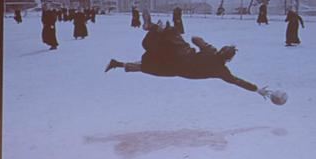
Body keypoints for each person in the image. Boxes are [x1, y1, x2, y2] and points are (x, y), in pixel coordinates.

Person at [104, 22, 287, 105]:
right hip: (179, 68)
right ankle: (155, 29)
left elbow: (195, 38)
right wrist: (257, 89)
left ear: (222, 51)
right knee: (150, 66)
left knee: (155, 57)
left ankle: (119, 62)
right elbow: (237, 81)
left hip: (178, 59)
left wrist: (207, 46)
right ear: (229, 59)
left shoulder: (211, 52)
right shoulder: (221, 71)